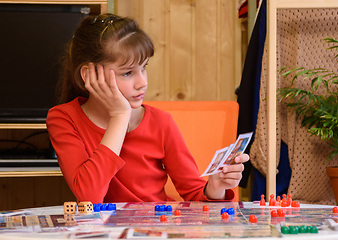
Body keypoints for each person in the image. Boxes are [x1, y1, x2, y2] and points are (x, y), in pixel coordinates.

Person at [46, 13, 249, 204]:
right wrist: (119, 116)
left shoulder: (161, 123)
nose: (142, 82)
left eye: (144, 68)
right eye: (127, 73)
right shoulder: (63, 119)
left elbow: (194, 194)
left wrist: (215, 187)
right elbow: (89, 195)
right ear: (89, 74)